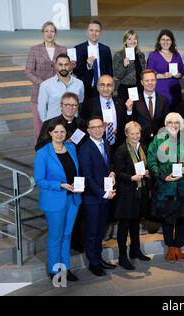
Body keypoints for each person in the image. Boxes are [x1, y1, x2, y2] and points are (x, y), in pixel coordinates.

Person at [34, 118, 81, 281]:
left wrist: (77, 183)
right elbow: (39, 180)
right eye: (56, 132)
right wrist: (61, 185)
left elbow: (75, 170)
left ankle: (65, 268)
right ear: (49, 133)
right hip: (54, 201)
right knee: (56, 236)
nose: (59, 134)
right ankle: (55, 270)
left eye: (62, 131)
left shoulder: (71, 147)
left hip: (73, 199)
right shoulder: (43, 153)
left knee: (67, 235)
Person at [147, 112, 184, 263]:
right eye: (170, 123)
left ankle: (179, 247)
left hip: (183, 187)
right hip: (165, 187)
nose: (173, 125)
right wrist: (162, 175)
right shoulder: (157, 140)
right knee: (167, 220)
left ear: (181, 125)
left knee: (182, 219)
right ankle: (170, 248)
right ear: (165, 125)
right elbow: (151, 161)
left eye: (176, 123)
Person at [78, 117, 117, 277]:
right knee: (92, 232)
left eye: (100, 126)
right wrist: (103, 193)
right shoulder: (85, 149)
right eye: (93, 127)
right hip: (93, 198)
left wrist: (112, 171)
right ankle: (93, 263)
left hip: (105, 195)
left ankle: (99, 258)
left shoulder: (106, 143)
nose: (97, 130)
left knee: (100, 231)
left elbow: (107, 164)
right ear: (88, 130)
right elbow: (87, 176)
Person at [114, 122, 152, 270]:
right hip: (126, 193)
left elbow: (144, 166)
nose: (135, 136)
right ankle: (122, 257)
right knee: (124, 227)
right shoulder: (121, 150)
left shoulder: (142, 147)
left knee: (135, 224)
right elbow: (118, 172)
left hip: (139, 192)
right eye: (132, 133)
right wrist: (132, 178)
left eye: (138, 133)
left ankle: (135, 251)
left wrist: (146, 173)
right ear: (126, 134)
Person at [25, 21, 66, 142]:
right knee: (39, 128)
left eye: (52, 31)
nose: (49, 34)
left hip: (58, 96)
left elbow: (66, 69)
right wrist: (43, 84)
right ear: (42, 33)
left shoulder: (62, 49)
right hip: (39, 95)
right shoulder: (35, 50)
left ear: (55, 34)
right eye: (46, 31)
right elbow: (28, 71)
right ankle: (41, 154)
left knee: (57, 127)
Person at [80, 75, 126, 153]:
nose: (105, 88)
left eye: (109, 85)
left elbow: (124, 122)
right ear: (97, 87)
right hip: (97, 148)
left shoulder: (121, 103)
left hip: (118, 146)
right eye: (102, 85)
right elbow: (82, 125)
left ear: (113, 87)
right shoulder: (88, 104)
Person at [125, 69, 170, 146]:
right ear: (142, 82)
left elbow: (166, 121)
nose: (150, 83)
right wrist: (129, 110)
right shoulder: (134, 101)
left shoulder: (163, 100)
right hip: (140, 142)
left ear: (156, 81)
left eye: (152, 80)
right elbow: (130, 123)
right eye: (147, 80)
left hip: (159, 142)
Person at [38, 53, 84, 122]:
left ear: (70, 65)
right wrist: (46, 124)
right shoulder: (45, 85)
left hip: (73, 125)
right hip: (54, 127)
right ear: (55, 65)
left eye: (66, 64)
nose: (63, 68)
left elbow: (80, 103)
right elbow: (42, 107)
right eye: (60, 65)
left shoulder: (79, 83)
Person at [73, 20, 113, 100]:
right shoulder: (78, 49)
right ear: (87, 32)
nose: (94, 33)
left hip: (102, 89)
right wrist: (88, 65)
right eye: (91, 30)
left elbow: (109, 71)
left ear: (101, 33)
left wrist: (108, 87)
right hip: (85, 88)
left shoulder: (106, 49)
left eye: (97, 31)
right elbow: (76, 72)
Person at [147, 29, 184, 111]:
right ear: (159, 41)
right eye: (163, 39)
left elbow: (182, 71)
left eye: (168, 40)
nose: (165, 42)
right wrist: (163, 75)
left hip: (175, 91)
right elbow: (149, 74)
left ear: (172, 41)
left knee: (175, 116)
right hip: (160, 91)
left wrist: (179, 74)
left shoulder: (176, 55)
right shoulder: (153, 55)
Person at [113, 30, 146, 105]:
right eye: (129, 39)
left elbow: (143, 73)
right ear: (125, 41)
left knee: (138, 112)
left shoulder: (141, 55)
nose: (132, 41)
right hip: (125, 89)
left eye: (134, 38)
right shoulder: (119, 55)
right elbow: (117, 75)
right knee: (124, 113)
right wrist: (124, 66)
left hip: (139, 89)